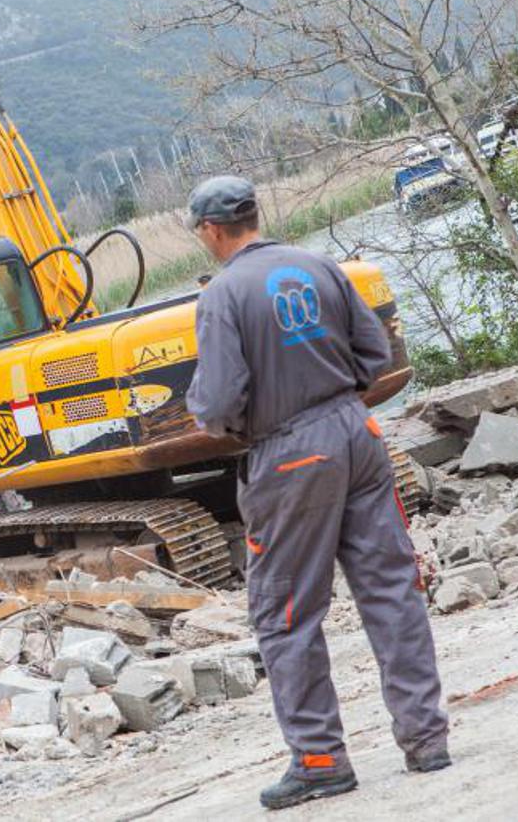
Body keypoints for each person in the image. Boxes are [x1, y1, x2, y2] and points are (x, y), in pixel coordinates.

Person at [183, 176, 450, 811]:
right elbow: (375, 351)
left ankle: (321, 760)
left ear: (211, 230)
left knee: (286, 613)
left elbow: (218, 404)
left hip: (288, 453)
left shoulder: (222, 295)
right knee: (390, 589)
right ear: (254, 215)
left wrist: (228, 423)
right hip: (357, 435)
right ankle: (427, 739)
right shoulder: (319, 266)